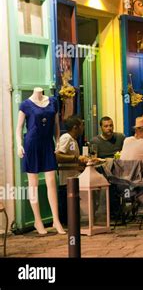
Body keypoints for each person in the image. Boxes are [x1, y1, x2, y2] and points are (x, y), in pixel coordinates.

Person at [16, 88, 66, 235]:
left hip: (47, 143)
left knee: (51, 181)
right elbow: (19, 128)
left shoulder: (53, 102)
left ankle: (56, 220)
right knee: (33, 184)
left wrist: (57, 141)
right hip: (32, 144)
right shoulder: (25, 105)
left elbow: (56, 125)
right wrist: (19, 145)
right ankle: (38, 221)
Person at [55, 115, 90, 225]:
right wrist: (76, 158)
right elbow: (58, 156)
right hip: (66, 180)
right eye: (82, 125)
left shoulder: (73, 140)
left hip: (73, 178)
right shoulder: (66, 138)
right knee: (67, 207)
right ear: (75, 127)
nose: (83, 128)